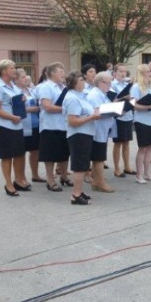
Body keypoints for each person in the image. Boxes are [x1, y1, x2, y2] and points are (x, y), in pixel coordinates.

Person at [0, 59, 29, 197]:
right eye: (12, 68)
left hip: (17, 125)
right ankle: (8, 183)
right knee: (7, 156)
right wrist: (11, 117)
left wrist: (22, 99)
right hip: (5, 125)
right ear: (4, 71)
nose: (14, 70)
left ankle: (18, 180)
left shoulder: (13, 86)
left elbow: (16, 102)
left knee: (19, 154)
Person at [63, 71, 100, 205]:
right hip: (78, 135)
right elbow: (72, 121)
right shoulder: (72, 98)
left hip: (86, 133)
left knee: (83, 165)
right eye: (81, 80)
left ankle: (79, 191)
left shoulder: (81, 96)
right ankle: (75, 195)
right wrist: (92, 117)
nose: (84, 82)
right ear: (74, 83)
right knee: (79, 166)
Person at [38, 62, 72, 192]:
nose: (63, 74)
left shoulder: (62, 87)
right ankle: (50, 179)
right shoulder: (46, 86)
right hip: (50, 125)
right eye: (60, 72)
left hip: (63, 125)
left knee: (64, 153)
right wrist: (66, 109)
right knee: (50, 155)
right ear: (52, 73)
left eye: (63, 72)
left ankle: (64, 176)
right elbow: (47, 106)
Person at [86, 71, 116, 193]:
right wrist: (114, 110)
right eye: (107, 82)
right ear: (99, 82)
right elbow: (98, 112)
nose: (109, 85)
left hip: (103, 129)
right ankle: (100, 182)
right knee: (99, 157)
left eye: (110, 82)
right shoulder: (94, 95)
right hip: (97, 129)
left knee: (99, 156)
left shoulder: (103, 94)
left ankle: (96, 181)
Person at [131, 64, 151, 183]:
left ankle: (147, 173)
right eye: (147, 71)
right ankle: (139, 175)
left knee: (150, 147)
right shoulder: (136, 87)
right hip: (141, 120)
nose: (150, 73)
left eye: (150, 71)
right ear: (142, 73)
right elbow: (134, 105)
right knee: (142, 148)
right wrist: (149, 106)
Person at [14, 68, 43, 182]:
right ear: (15, 80)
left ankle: (35, 174)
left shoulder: (31, 90)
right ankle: (21, 177)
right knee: (21, 153)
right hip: (23, 125)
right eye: (22, 77)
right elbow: (14, 110)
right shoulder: (15, 91)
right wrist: (29, 109)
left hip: (35, 124)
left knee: (35, 151)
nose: (26, 78)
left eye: (26, 76)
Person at [111, 63, 135, 177]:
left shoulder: (127, 85)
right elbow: (112, 100)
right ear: (114, 73)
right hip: (118, 117)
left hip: (128, 115)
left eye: (125, 71)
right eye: (120, 71)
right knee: (118, 143)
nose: (123, 73)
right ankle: (116, 168)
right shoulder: (112, 85)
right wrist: (123, 97)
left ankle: (127, 166)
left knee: (126, 142)